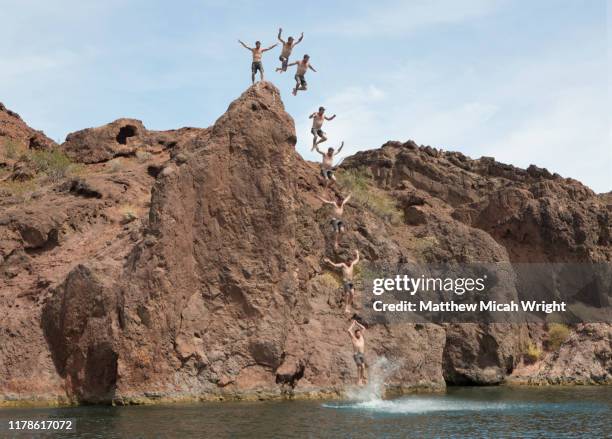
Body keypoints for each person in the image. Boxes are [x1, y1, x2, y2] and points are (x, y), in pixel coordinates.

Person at [347, 319, 368, 385]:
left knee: (363, 367)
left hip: (362, 354)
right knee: (359, 367)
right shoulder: (353, 338)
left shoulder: (361, 337)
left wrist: (357, 323)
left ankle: (361, 379)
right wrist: (353, 324)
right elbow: (349, 330)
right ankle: (358, 380)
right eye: (357, 333)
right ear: (355, 334)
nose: (359, 334)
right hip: (356, 354)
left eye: (359, 333)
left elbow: (363, 328)